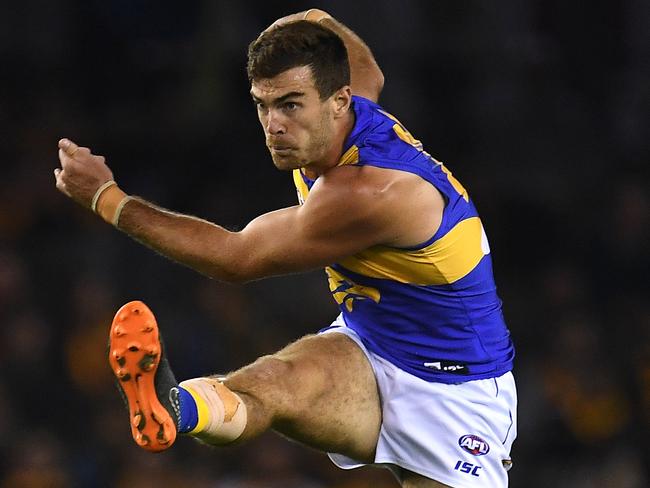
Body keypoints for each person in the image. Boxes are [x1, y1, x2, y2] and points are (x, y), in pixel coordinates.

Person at [54, 9, 517, 488]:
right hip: (370, 345)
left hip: (457, 391)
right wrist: (306, 20)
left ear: (339, 101)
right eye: (262, 105)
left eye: (291, 105)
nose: (273, 125)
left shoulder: (370, 192)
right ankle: (174, 407)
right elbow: (364, 66)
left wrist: (105, 198)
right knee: (270, 383)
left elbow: (237, 258)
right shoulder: (348, 100)